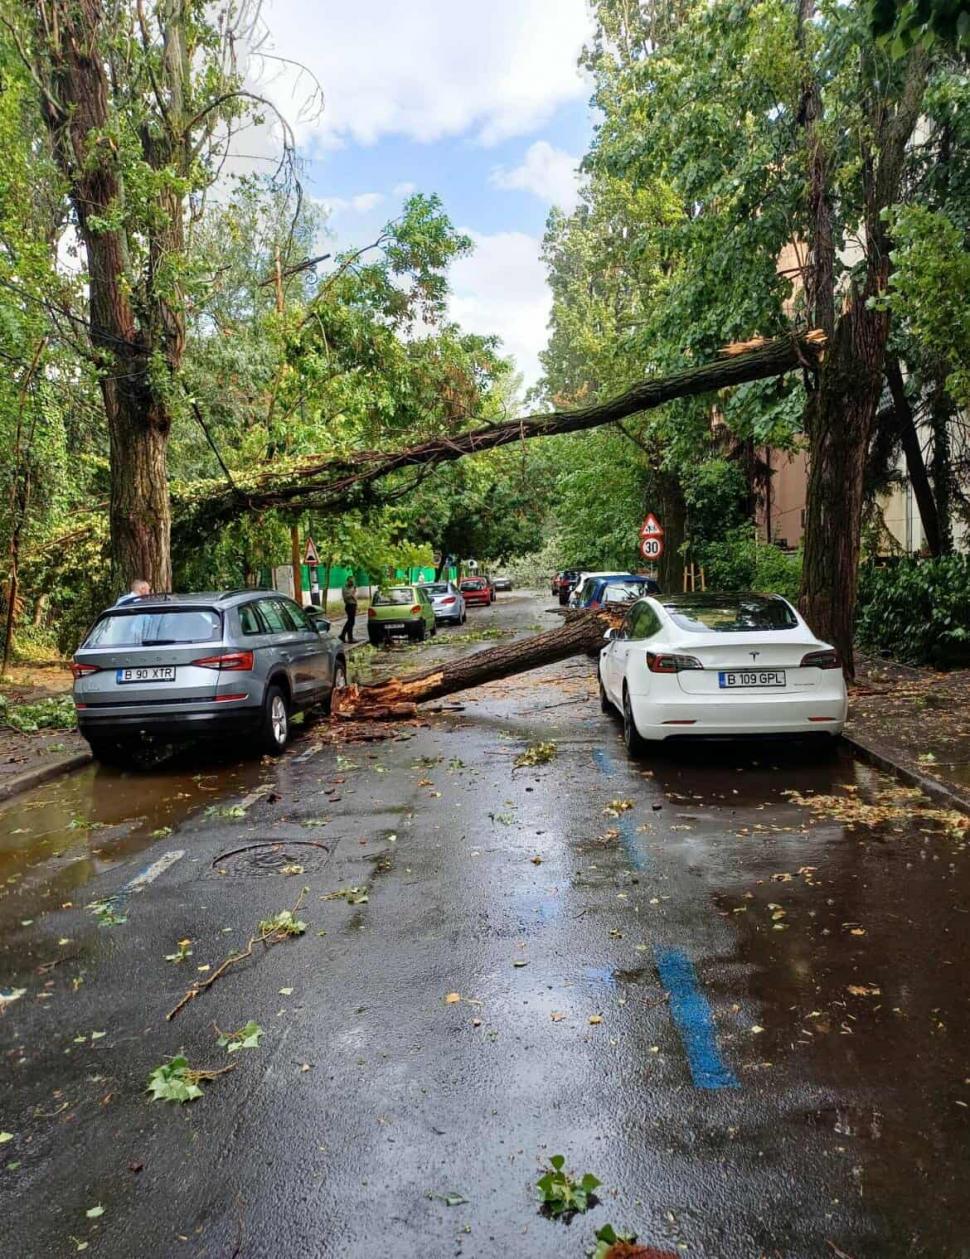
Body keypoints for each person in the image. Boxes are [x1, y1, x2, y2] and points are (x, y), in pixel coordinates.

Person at [339, 576, 358, 643]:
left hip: (353, 605)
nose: (352, 583)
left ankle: (348, 637)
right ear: (347, 581)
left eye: (352, 581)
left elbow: (355, 596)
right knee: (350, 622)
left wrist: (356, 603)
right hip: (349, 606)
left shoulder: (353, 587)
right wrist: (352, 594)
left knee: (351, 622)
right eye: (350, 581)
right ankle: (343, 635)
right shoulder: (344, 588)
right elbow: (346, 597)